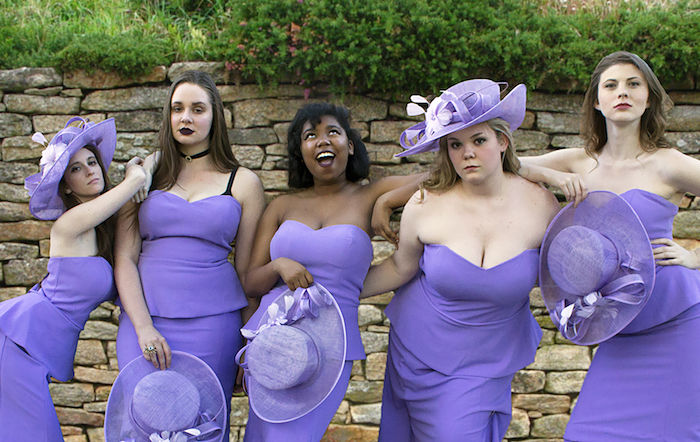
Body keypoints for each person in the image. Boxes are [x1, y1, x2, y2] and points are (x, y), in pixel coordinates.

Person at [360, 79, 561, 441]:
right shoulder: (425, 203)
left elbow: (564, 277)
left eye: (479, 140)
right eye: (455, 144)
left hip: (489, 360)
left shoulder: (543, 206)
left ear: (502, 141)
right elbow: (400, 267)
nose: (467, 153)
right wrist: (336, 288)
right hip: (419, 351)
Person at [519, 51, 700, 441]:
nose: (623, 92)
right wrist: (554, 175)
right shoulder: (579, 162)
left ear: (647, 99)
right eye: (611, 85)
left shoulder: (668, 163)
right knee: (587, 433)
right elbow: (504, 162)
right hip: (619, 330)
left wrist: (695, 257)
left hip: (677, 325)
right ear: (597, 102)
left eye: (634, 84)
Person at [240, 102, 423, 441]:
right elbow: (251, 282)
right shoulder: (281, 206)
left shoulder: (370, 195)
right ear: (301, 151)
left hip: (330, 350)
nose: (322, 141)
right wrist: (280, 265)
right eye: (311, 135)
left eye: (332, 132)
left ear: (350, 146)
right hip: (272, 342)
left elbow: (436, 177)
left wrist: (386, 201)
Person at [114, 71, 265, 440]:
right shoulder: (145, 175)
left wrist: (250, 343)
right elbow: (124, 259)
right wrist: (144, 327)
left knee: (204, 426)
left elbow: (247, 273)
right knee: (143, 425)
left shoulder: (243, 182)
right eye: (177, 109)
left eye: (197, 109)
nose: (186, 118)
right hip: (145, 324)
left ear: (215, 117)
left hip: (215, 327)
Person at [0, 117, 147, 441]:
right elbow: (131, 187)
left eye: (92, 162)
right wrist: (135, 173)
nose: (91, 171)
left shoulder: (99, 230)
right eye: (77, 169)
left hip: (30, 346)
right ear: (66, 184)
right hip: (16, 340)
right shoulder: (69, 224)